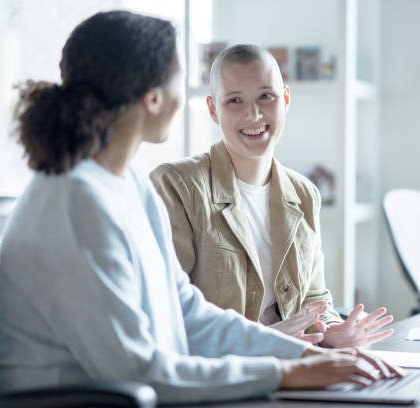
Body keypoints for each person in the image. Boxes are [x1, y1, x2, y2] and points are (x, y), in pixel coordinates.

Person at [0, 11, 402, 404]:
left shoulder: (127, 184)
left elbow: (188, 312)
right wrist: (283, 372)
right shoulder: (76, 201)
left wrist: (305, 357)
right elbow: (136, 370)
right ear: (153, 97)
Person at [150, 44, 394, 347]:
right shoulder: (177, 185)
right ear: (213, 109)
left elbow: (316, 300)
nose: (253, 114)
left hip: (295, 366)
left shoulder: (304, 194)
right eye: (235, 101)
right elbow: (170, 312)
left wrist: (333, 333)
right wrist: (263, 338)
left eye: (266, 97)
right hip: (229, 372)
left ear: (286, 99)